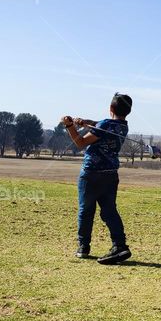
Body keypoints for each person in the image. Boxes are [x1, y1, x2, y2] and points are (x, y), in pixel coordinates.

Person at [62, 93, 133, 265]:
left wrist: (69, 126)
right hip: (110, 175)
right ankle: (120, 245)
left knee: (85, 210)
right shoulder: (123, 126)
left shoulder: (105, 124)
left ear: (110, 109)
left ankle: (83, 247)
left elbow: (80, 142)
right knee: (109, 211)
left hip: (91, 173)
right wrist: (87, 122)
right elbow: (102, 125)